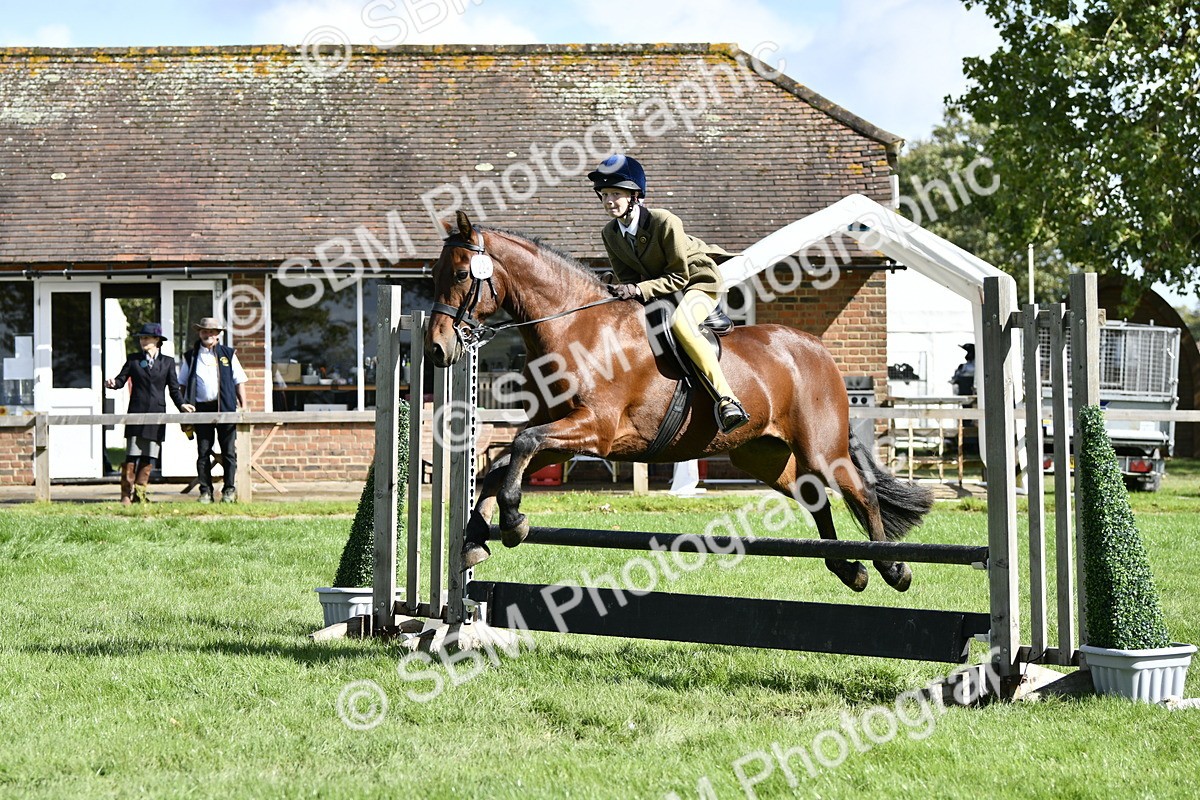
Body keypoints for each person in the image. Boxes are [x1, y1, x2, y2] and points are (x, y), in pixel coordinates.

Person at [587, 154, 750, 433]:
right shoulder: (610, 233)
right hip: (659, 292)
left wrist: (638, 288)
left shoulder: (664, 221)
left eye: (615, 194)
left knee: (682, 325)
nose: (609, 201)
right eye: (604, 195)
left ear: (635, 196)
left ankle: (727, 399)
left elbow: (678, 276)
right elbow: (628, 279)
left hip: (696, 283)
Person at [105, 322, 194, 505]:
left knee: (149, 455)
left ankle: (140, 494)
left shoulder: (167, 362)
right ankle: (125, 495)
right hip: (136, 412)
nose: (143, 341)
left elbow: (174, 390)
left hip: (157, 413)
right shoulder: (134, 359)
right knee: (131, 454)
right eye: (141, 338)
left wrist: (182, 405)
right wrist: (113, 383)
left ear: (157, 340)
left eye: (146, 338)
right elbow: (122, 379)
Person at [178, 317, 248, 503]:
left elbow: (238, 381)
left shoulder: (228, 354)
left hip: (225, 407)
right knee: (203, 452)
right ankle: (205, 491)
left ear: (218, 334)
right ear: (199, 333)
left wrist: (244, 405)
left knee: (229, 452)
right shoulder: (190, 356)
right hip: (200, 408)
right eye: (204, 331)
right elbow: (182, 384)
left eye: (212, 331)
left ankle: (229, 490)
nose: (208, 334)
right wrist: (183, 406)